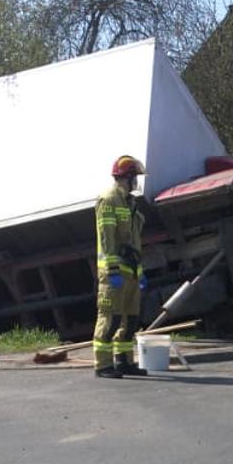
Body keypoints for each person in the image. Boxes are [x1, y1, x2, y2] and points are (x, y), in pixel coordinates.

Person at [94, 155, 149, 379]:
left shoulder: (130, 202)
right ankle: (102, 365)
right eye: (134, 177)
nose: (136, 181)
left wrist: (140, 271)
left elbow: (134, 241)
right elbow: (107, 240)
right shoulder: (108, 200)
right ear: (125, 177)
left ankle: (124, 361)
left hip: (132, 271)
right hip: (114, 273)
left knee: (131, 320)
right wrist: (113, 270)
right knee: (110, 318)